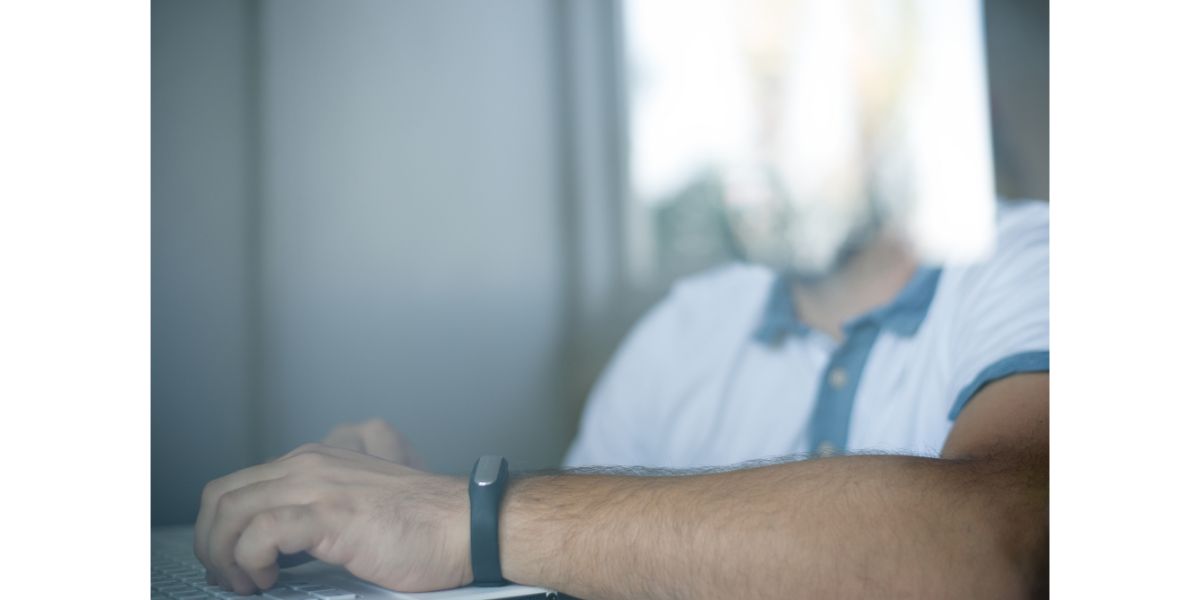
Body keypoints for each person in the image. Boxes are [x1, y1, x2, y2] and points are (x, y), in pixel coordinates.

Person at [191, 193, 1048, 599]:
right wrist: (395, 536)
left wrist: (474, 517)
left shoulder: (1032, 259)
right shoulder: (686, 326)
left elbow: (998, 545)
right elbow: (577, 556)